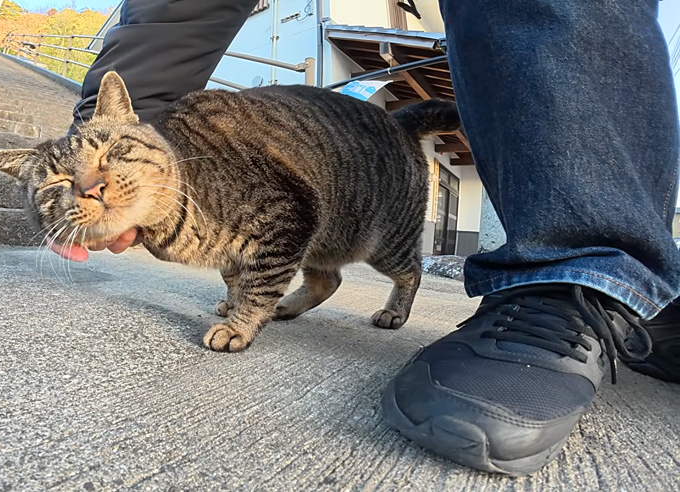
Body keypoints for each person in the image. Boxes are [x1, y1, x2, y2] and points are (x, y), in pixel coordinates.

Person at [60, 0, 680, 476]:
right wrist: (119, 121)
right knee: (287, 242)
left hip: (364, 181)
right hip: (314, 180)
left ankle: (583, 269)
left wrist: (250, 310)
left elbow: (281, 219)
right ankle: (618, 288)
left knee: (385, 250)